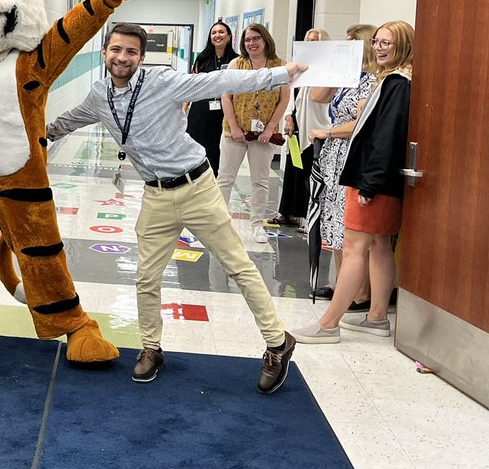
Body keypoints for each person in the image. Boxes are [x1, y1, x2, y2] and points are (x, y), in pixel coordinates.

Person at [47, 22, 307, 391]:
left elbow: (219, 83)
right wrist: (37, 135)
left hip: (196, 186)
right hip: (155, 195)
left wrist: (282, 73)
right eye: (117, 50)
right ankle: (151, 348)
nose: (123, 58)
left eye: (132, 52)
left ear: (141, 57)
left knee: (239, 267)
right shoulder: (99, 95)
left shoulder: (161, 82)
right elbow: (68, 121)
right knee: (146, 277)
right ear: (105, 51)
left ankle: (278, 344)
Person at [293, 20, 414, 344]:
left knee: (355, 247)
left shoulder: (395, 84)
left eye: (387, 42)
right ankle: (376, 317)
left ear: (402, 45)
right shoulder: (392, 81)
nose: (379, 47)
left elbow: (385, 138)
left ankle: (329, 323)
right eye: (376, 41)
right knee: (378, 247)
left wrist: (369, 183)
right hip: (379, 178)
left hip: (372, 179)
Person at [306, 24, 377, 301]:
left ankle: (359, 294)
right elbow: (317, 96)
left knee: (350, 225)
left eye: (349, 44)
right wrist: (337, 69)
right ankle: (340, 287)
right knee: (334, 222)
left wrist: (329, 132)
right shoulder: (348, 78)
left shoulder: (370, 81)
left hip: (352, 153)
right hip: (334, 158)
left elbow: (361, 123)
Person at [217, 24, 291, 244]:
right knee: (225, 179)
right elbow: (226, 96)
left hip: (264, 134)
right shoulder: (236, 64)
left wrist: (270, 128)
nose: (251, 43)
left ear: (266, 40)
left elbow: (283, 100)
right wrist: (235, 127)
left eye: (256, 38)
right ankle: (219, 224)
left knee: (260, 181)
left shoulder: (279, 67)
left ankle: (257, 224)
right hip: (234, 131)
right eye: (248, 39)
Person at [275, 28, 331, 226]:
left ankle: (306, 216)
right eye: (308, 39)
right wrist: (289, 116)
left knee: (308, 171)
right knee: (294, 167)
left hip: (316, 125)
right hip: (297, 124)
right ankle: (287, 211)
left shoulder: (326, 68)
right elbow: (291, 93)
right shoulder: (299, 66)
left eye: (315, 40)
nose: (311, 42)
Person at [185, 21, 237, 175]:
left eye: (221, 32)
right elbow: (192, 84)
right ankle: (195, 179)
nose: (217, 35)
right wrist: (184, 105)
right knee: (196, 147)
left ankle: (214, 181)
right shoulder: (203, 58)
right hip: (201, 110)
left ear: (228, 36)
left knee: (218, 150)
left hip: (225, 112)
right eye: (214, 32)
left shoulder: (237, 60)